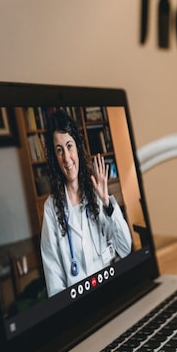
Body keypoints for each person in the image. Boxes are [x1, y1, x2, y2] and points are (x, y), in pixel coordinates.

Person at [40, 110, 133, 296]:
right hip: (79, 303)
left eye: (69, 146)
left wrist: (106, 203)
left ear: (77, 147)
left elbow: (125, 248)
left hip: (109, 292)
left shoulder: (97, 194)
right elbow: (54, 279)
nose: (66, 158)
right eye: (59, 150)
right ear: (55, 157)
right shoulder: (51, 208)